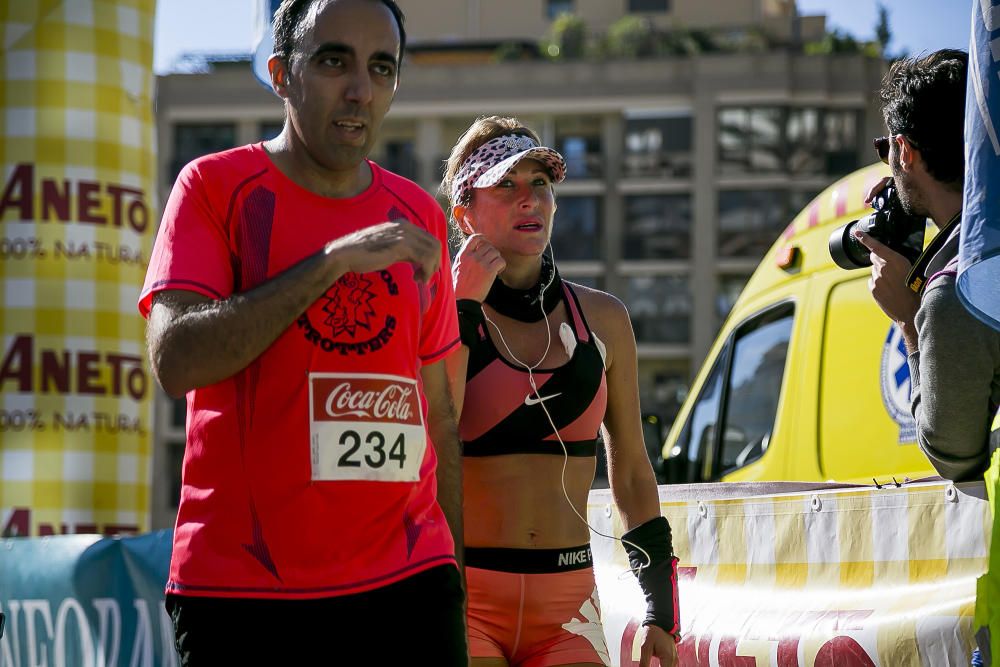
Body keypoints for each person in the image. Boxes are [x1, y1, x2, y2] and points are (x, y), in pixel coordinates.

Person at [138, 0, 467, 663]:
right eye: (333, 61)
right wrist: (333, 261)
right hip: (245, 594)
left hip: (410, 582)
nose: (359, 89)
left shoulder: (421, 217)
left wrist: (459, 575)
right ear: (281, 74)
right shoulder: (213, 187)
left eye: (381, 68)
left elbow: (439, 416)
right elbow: (175, 359)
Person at [441, 116, 680, 667]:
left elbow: (633, 474)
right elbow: (434, 433)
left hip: (569, 602)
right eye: (506, 183)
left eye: (540, 184)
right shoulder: (436, 314)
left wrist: (660, 610)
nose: (529, 199)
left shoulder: (605, 319)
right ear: (465, 212)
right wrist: (462, 308)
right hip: (465, 598)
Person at [854, 49, 1000, 483]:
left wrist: (909, 322)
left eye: (887, 150)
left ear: (905, 150)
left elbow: (952, 454)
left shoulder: (959, 289)